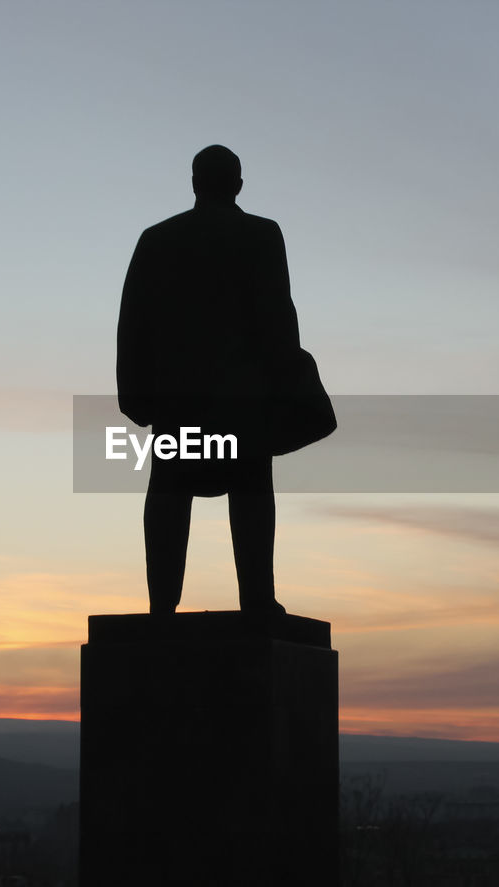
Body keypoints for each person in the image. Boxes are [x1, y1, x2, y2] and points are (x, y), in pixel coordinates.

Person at [117, 145, 302, 616]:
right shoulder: (261, 235)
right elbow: (278, 318)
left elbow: (132, 322)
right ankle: (257, 598)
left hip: (177, 398)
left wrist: (134, 393)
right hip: (243, 396)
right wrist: (287, 386)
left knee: (169, 494)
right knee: (251, 492)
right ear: (238, 184)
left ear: (195, 183)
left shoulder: (157, 239)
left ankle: (161, 606)